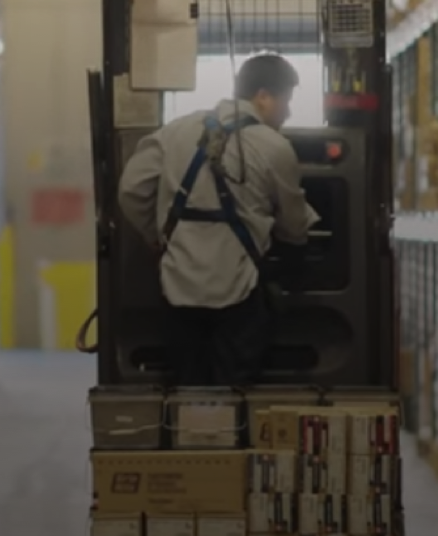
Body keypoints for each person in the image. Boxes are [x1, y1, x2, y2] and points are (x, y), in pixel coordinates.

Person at [117, 53, 318, 388]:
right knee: (233, 387)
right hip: (239, 293)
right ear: (264, 96)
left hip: (178, 286)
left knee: (187, 386)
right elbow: (294, 226)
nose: (288, 111)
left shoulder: (176, 132)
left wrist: (156, 236)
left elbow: (131, 190)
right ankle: (227, 435)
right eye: (287, 100)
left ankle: (191, 435)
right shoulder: (274, 147)